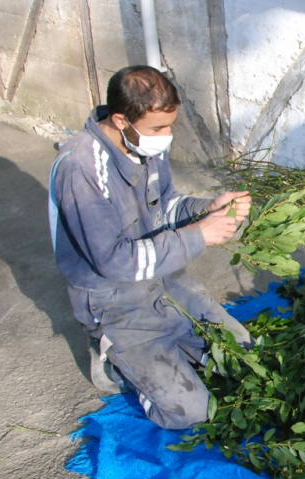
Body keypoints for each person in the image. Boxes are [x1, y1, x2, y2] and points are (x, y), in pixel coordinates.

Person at [48, 65, 253, 429]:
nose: (167, 136)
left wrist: (206, 208)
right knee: (191, 412)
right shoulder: (80, 168)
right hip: (115, 301)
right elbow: (114, 261)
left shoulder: (143, 144)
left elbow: (166, 205)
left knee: (245, 358)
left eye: (171, 125)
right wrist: (198, 235)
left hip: (165, 281)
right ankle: (111, 354)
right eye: (159, 128)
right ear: (120, 119)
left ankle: (165, 354)